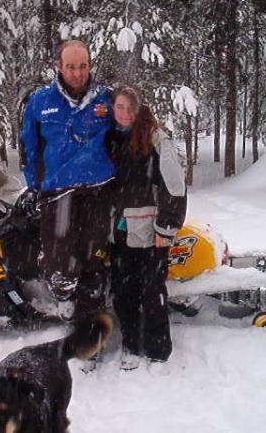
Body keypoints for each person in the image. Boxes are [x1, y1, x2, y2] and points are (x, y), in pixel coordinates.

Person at [19, 40, 115, 328]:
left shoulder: (107, 99)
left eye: (83, 66)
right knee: (59, 266)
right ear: (59, 66)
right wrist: (34, 185)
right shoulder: (40, 101)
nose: (77, 73)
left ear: (90, 66)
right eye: (71, 66)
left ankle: (90, 332)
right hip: (58, 194)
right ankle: (67, 303)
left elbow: (127, 138)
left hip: (99, 192)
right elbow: (29, 147)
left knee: (94, 263)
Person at [105, 86, 187, 371]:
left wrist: (166, 228)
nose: (125, 113)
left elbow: (175, 187)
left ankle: (158, 348)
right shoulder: (110, 137)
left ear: (139, 108)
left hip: (152, 233)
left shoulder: (156, 138)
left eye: (130, 107)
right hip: (119, 231)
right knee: (123, 291)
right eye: (119, 107)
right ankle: (131, 344)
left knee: (152, 291)